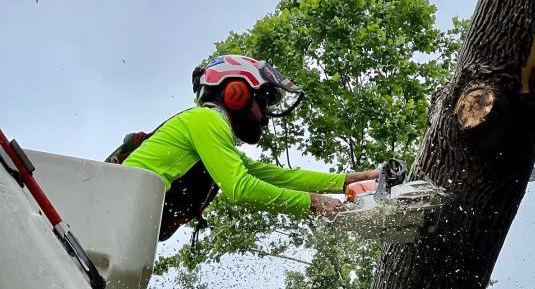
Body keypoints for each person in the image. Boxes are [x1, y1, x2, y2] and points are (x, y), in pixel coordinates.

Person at [119, 54, 378, 241]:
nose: (265, 116)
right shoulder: (205, 119)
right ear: (236, 93)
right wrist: (315, 202)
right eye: (262, 102)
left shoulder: (209, 137)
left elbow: (280, 177)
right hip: (113, 215)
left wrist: (351, 180)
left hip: (121, 229)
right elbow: (240, 188)